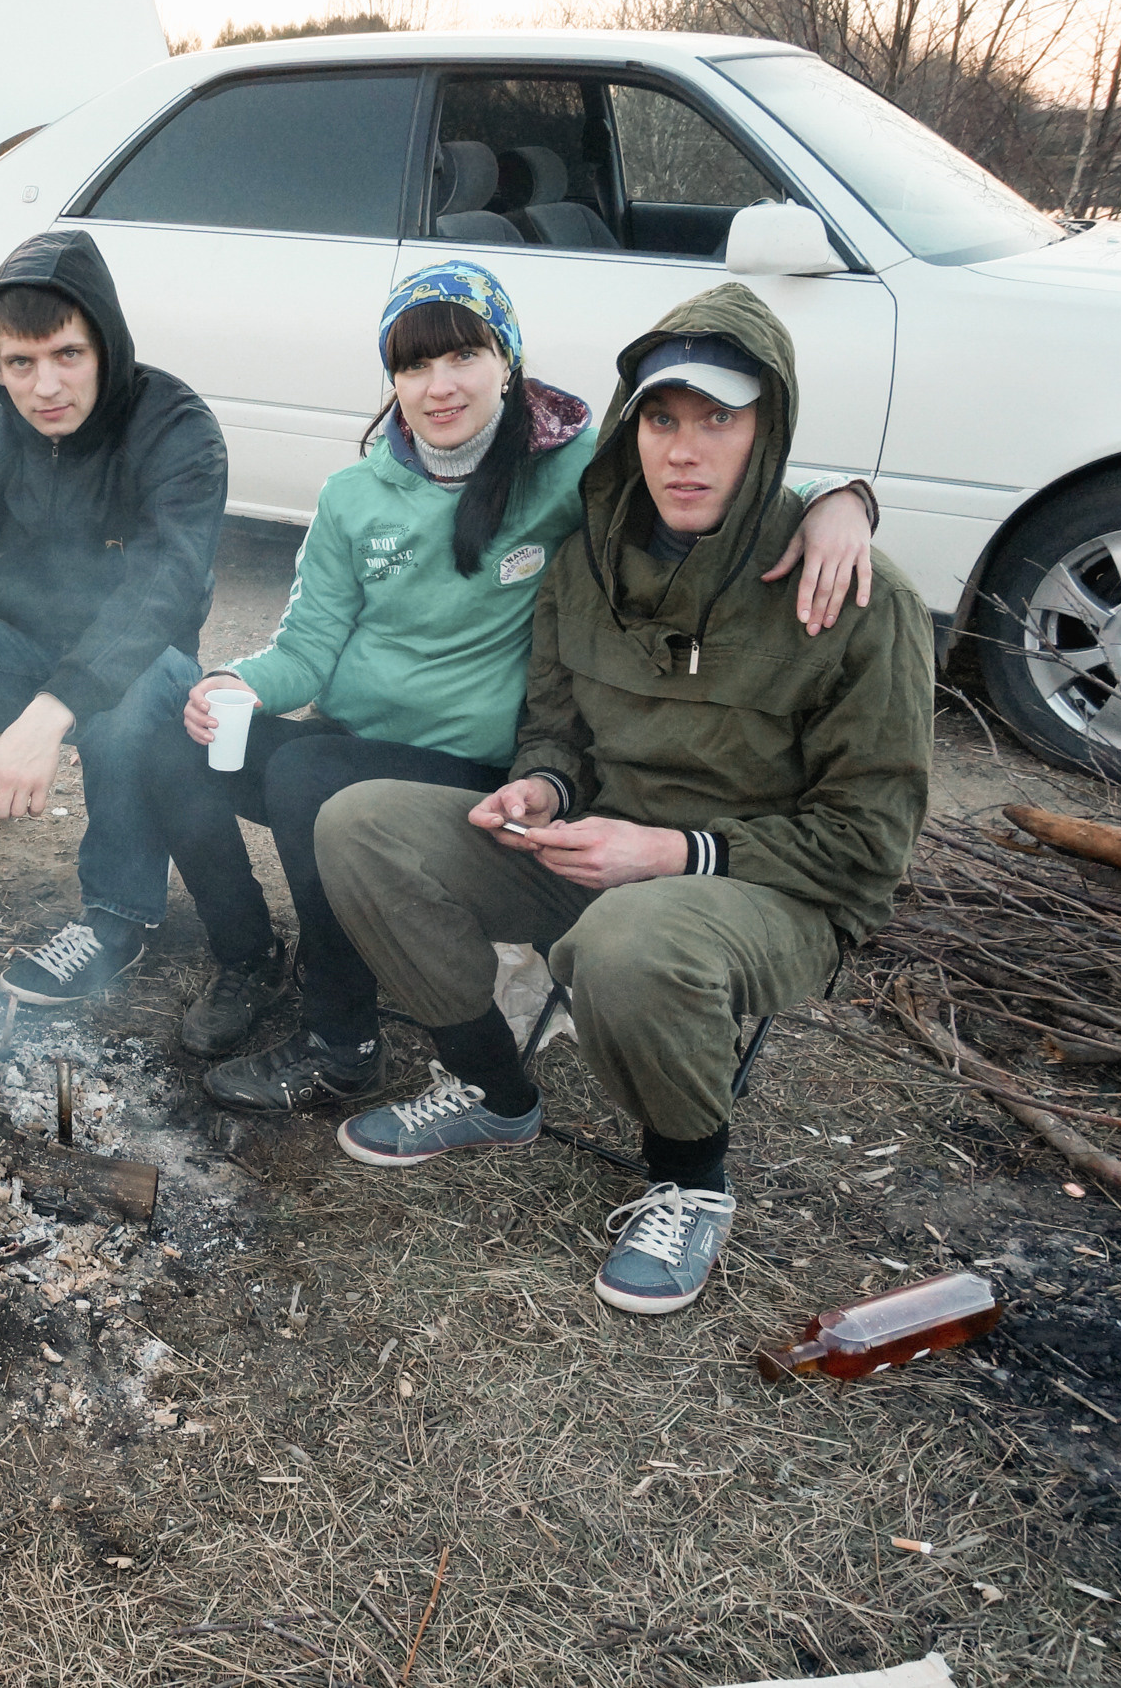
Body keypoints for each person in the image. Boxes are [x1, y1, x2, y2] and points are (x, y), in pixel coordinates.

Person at [314, 283, 933, 1317]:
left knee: (630, 943)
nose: (683, 451)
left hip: (766, 890)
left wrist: (672, 854)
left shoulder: (864, 598)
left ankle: (689, 1179)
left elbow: (865, 848)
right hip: (599, 857)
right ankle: (492, 1089)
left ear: (766, 430)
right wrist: (542, 785)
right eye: (661, 419)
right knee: (362, 824)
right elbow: (554, 725)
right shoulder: (586, 562)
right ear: (629, 425)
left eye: (717, 421)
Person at [157, 261, 875, 1106]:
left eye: (463, 355)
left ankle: (341, 1040)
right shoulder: (356, 495)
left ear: (508, 359)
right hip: (355, 741)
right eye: (414, 366)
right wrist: (231, 683)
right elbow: (306, 651)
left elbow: (710, 474)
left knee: (304, 781)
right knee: (173, 743)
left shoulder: (569, 470)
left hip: (483, 771)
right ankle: (249, 958)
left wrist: (840, 497)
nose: (439, 385)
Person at [0, 229, 227, 1005]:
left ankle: (115, 919)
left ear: (104, 343)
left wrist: (49, 714)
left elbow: (164, 587)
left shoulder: (174, 424)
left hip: (141, 658)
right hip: (12, 639)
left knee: (129, 702)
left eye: (67, 354)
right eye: (20, 363)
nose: (45, 386)